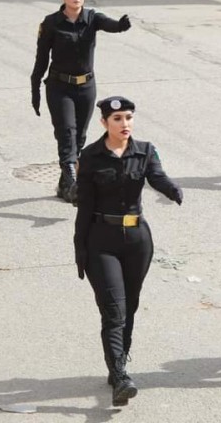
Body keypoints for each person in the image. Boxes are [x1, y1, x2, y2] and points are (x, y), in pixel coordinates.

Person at [74, 96, 183, 406]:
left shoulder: (145, 151)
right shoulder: (91, 157)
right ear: (104, 123)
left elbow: (157, 176)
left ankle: (117, 363)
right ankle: (121, 375)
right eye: (118, 118)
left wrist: (172, 190)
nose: (125, 124)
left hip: (137, 240)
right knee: (114, 309)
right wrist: (80, 249)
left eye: (128, 118)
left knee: (130, 305)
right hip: (101, 240)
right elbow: (84, 209)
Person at [31, 0, 132, 203]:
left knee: (80, 137)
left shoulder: (92, 18)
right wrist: (35, 88)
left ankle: (64, 185)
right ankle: (74, 186)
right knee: (67, 133)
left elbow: (110, 25)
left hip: (86, 86)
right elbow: (41, 59)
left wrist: (121, 26)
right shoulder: (51, 23)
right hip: (59, 87)